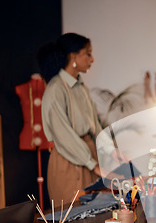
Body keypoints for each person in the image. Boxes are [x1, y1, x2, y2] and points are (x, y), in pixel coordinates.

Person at [37, 33, 103, 207]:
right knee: (73, 219)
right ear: (73, 56)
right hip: (69, 161)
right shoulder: (55, 88)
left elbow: (95, 126)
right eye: (88, 53)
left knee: (95, 216)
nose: (92, 59)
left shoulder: (81, 87)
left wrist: (111, 152)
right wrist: (93, 164)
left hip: (89, 159)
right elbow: (62, 135)